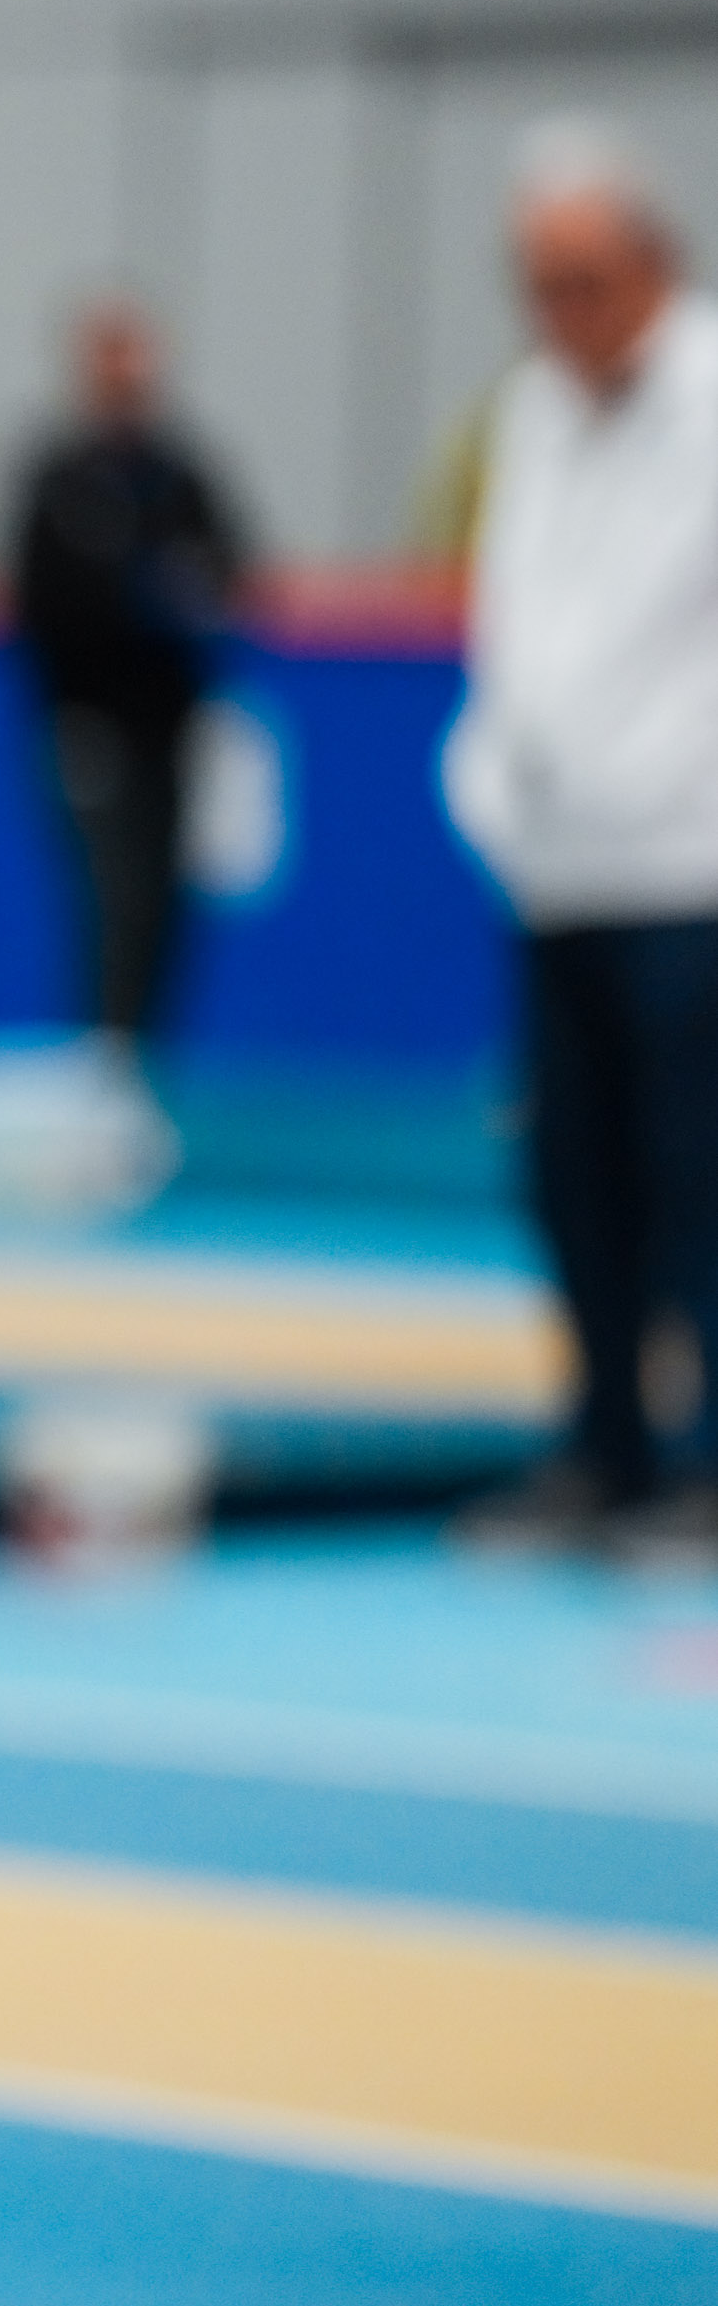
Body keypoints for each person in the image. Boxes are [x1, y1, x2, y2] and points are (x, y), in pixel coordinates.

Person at [445, 121, 718, 1560]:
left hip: (690, 872)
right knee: (572, 1178)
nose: (558, 314)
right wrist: (488, 771)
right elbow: (515, 621)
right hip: (554, 872)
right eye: (535, 286)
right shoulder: (531, 411)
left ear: (654, 265)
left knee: (697, 1180)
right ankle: (602, 1446)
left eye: (583, 283)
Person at [6, 297, 251, 1043]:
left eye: (134, 356)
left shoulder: (180, 476)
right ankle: (104, 1059)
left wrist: (179, 602)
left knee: (161, 904)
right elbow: (35, 602)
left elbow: (230, 574)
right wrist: (127, 607)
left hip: (167, 729)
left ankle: (139, 1055)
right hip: (88, 728)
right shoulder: (58, 480)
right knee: (112, 899)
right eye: (109, 358)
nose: (124, 374)